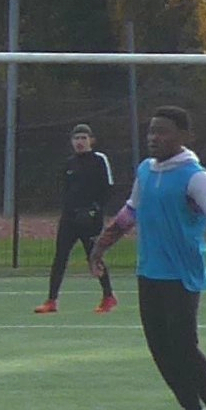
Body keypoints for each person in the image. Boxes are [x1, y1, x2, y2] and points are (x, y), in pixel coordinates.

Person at [89, 106, 206, 410]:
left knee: (184, 347)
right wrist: (101, 246)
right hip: (149, 272)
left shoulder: (197, 178)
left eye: (163, 131)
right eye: (151, 131)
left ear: (185, 137)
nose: (154, 138)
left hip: (181, 276)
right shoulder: (146, 171)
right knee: (160, 350)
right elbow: (131, 213)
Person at [40, 123, 123, 315]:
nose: (80, 142)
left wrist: (95, 209)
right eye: (76, 138)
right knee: (60, 257)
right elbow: (66, 190)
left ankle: (108, 296)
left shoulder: (99, 160)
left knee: (94, 256)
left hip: (91, 219)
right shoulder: (69, 163)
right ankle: (51, 300)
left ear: (91, 140)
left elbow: (108, 188)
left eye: (83, 138)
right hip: (70, 218)